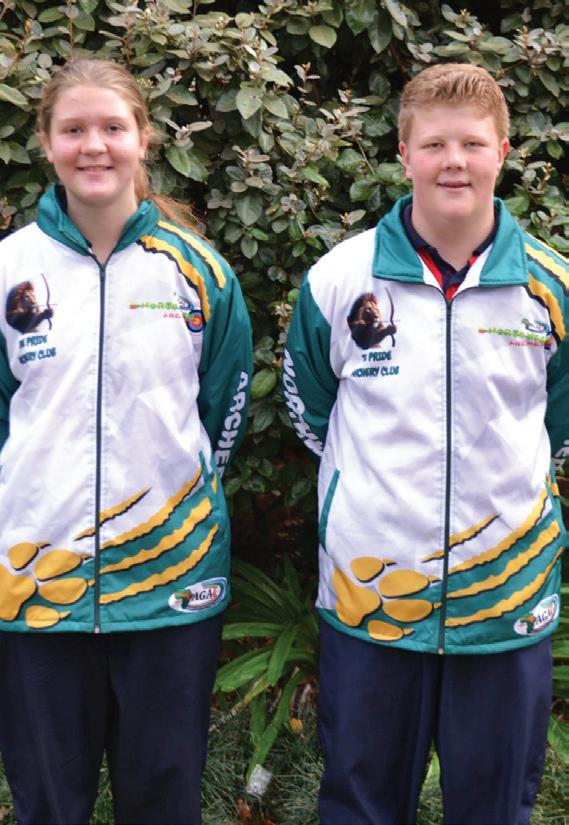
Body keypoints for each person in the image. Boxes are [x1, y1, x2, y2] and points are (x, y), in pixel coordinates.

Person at [283, 62, 569, 825]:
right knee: (361, 804)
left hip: (503, 597)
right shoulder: (338, 281)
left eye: (471, 144)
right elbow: (312, 412)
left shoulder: (550, 287)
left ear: (501, 152)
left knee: (495, 808)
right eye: (434, 144)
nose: (453, 162)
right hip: (371, 597)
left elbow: (555, 420)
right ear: (403, 153)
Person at [0, 58, 251, 825]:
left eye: (112, 126)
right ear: (46, 142)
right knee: (48, 804)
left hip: (171, 581)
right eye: (73, 128)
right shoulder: (9, 270)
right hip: (37, 581)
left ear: (143, 138)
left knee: (163, 801)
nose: (94, 145)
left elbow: (221, 416)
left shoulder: (198, 272)